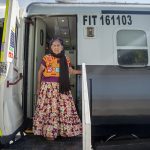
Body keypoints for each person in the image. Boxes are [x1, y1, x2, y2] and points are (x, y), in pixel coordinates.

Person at [33, 37, 82, 140]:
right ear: (51, 47)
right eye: (54, 45)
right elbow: (39, 72)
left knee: (64, 109)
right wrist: (38, 87)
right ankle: (49, 133)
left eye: (58, 45)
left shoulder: (66, 58)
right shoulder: (46, 58)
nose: (56, 47)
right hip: (48, 88)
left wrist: (83, 71)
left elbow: (71, 71)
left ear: (62, 47)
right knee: (49, 110)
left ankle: (64, 132)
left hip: (62, 87)